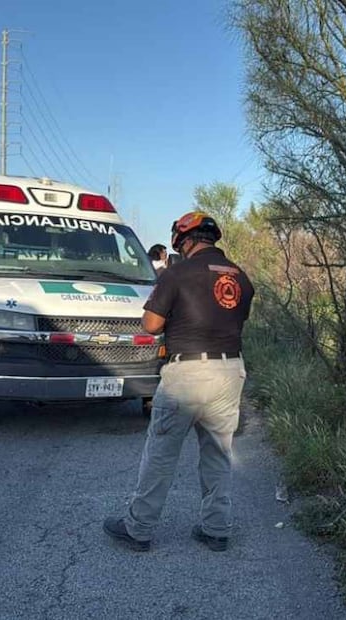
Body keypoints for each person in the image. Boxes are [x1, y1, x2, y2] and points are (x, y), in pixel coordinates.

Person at [104, 211, 255, 552]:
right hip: (230, 370)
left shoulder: (177, 273)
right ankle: (216, 528)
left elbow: (151, 325)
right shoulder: (241, 277)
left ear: (182, 241)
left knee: (161, 452)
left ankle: (139, 529)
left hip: (187, 372)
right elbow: (235, 318)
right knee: (218, 453)